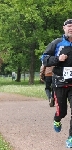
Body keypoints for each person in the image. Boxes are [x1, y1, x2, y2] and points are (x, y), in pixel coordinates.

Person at [41, 19, 72, 148]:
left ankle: (71, 137)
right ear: (64, 28)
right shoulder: (57, 43)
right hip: (59, 83)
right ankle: (57, 119)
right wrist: (57, 59)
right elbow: (44, 58)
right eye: (69, 26)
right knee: (62, 112)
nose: (71, 28)